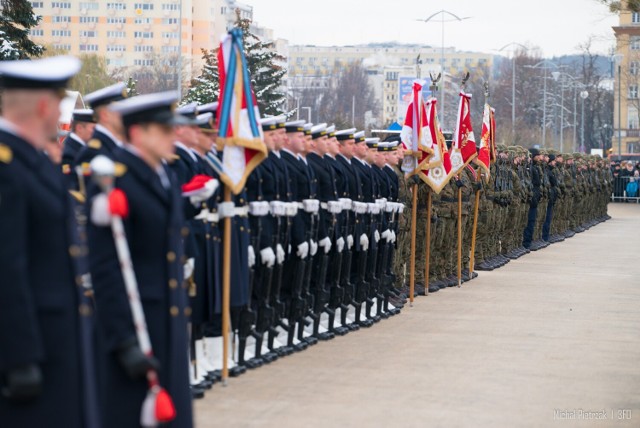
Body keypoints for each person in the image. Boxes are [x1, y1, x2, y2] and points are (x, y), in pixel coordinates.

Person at [0, 55, 101, 428]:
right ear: (44, 105)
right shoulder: (6, 167)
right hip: (30, 350)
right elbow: (6, 268)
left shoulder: (34, 161)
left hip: (57, 342)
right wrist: (18, 357)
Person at [86, 91, 193, 428]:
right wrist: (123, 339)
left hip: (168, 323)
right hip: (137, 327)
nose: (172, 136)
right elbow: (106, 268)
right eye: (163, 130)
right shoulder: (116, 180)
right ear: (137, 133)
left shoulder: (165, 175)